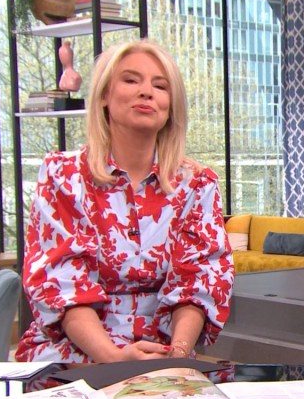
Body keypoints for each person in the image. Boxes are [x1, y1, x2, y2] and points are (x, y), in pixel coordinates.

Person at [16, 39, 233, 364]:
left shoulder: (198, 184)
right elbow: (64, 284)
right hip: (75, 352)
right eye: (131, 80)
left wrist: (176, 357)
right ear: (104, 95)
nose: (147, 92)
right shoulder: (62, 175)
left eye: (160, 86)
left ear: (171, 105)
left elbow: (198, 282)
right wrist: (114, 358)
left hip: (163, 356)